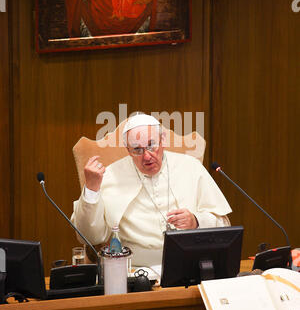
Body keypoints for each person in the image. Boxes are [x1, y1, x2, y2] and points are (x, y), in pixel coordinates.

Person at [71, 114, 232, 267]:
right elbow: (89, 236)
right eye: (137, 150)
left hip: (188, 263)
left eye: (151, 145)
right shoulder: (110, 176)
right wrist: (91, 189)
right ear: (128, 150)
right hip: (132, 268)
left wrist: (196, 221)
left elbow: (224, 226)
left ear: (163, 140)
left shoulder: (191, 167)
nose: (147, 156)